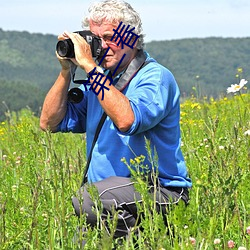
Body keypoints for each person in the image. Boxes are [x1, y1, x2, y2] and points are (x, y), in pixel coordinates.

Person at [40, 0, 192, 244]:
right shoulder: (99, 82)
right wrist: (66, 70)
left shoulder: (154, 77)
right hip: (110, 199)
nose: (102, 46)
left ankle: (146, 241)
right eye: (95, 38)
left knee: (88, 200)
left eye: (110, 37)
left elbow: (127, 120)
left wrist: (90, 66)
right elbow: (49, 123)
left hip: (160, 192)